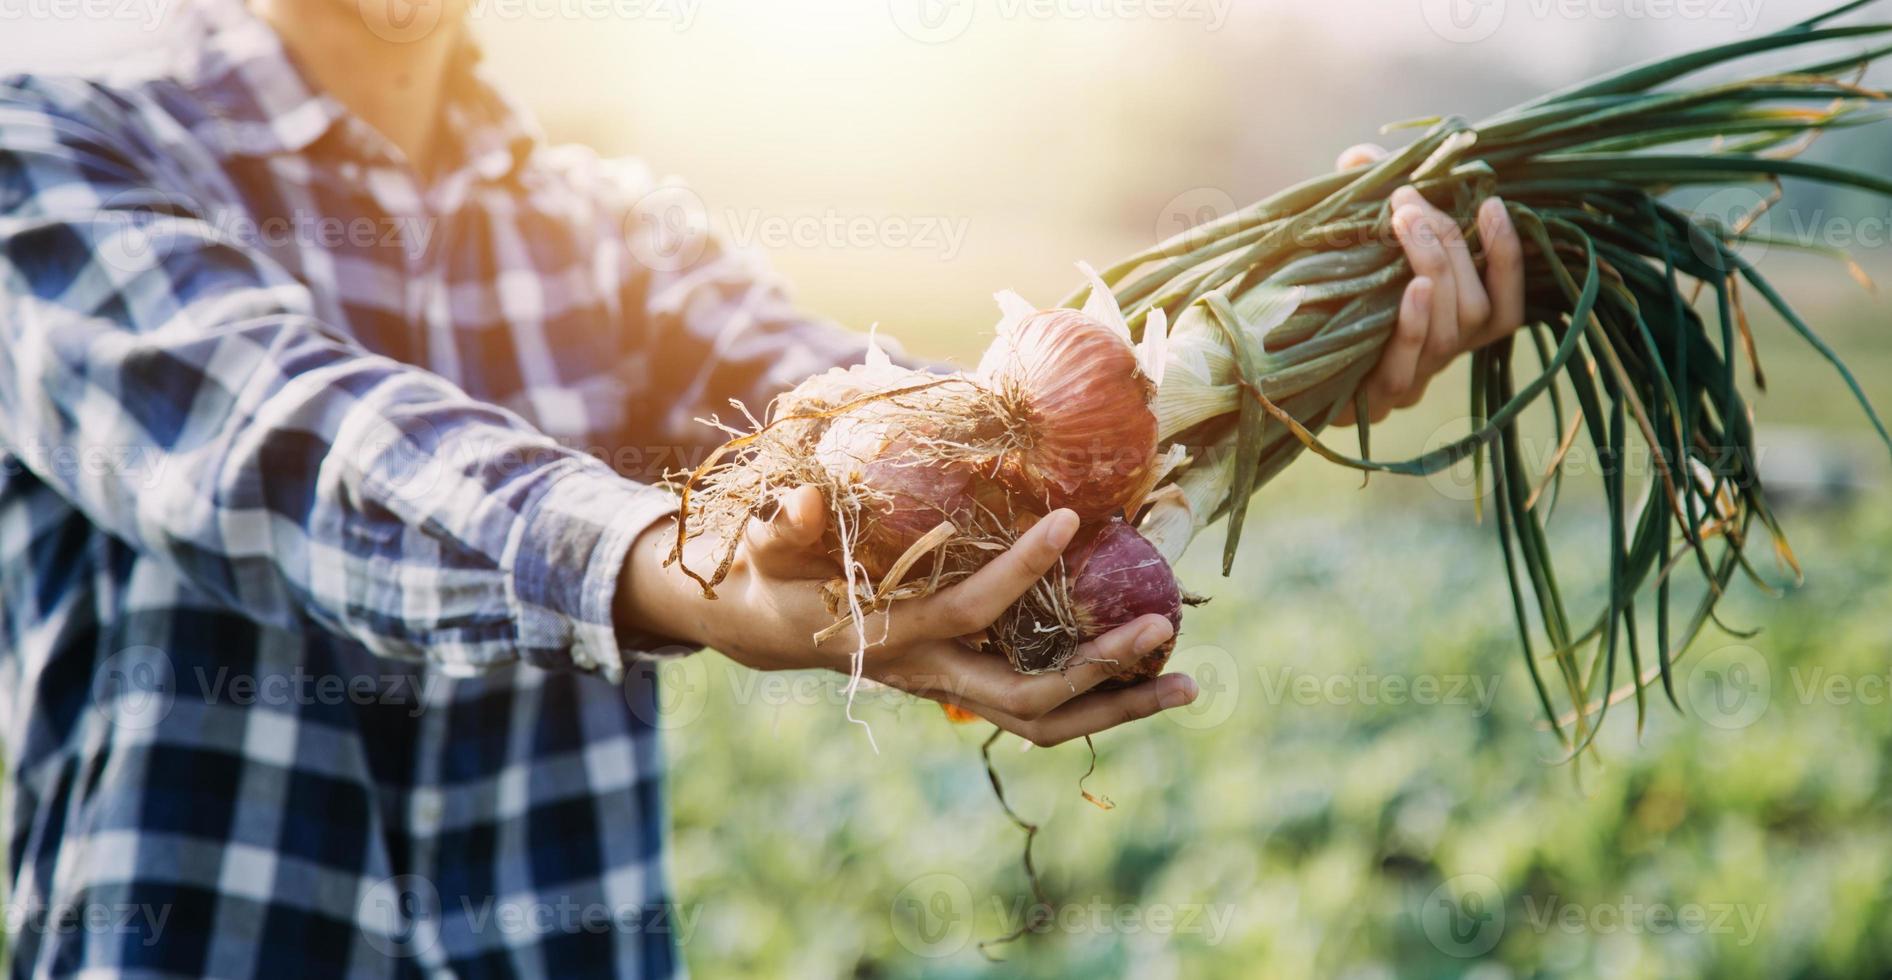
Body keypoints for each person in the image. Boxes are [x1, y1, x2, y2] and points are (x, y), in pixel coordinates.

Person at [0, 0, 1525, 974]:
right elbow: (286, 434)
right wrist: (670, 565)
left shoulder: (606, 227)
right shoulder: (56, 151)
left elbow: (881, 415)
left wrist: (1283, 357)